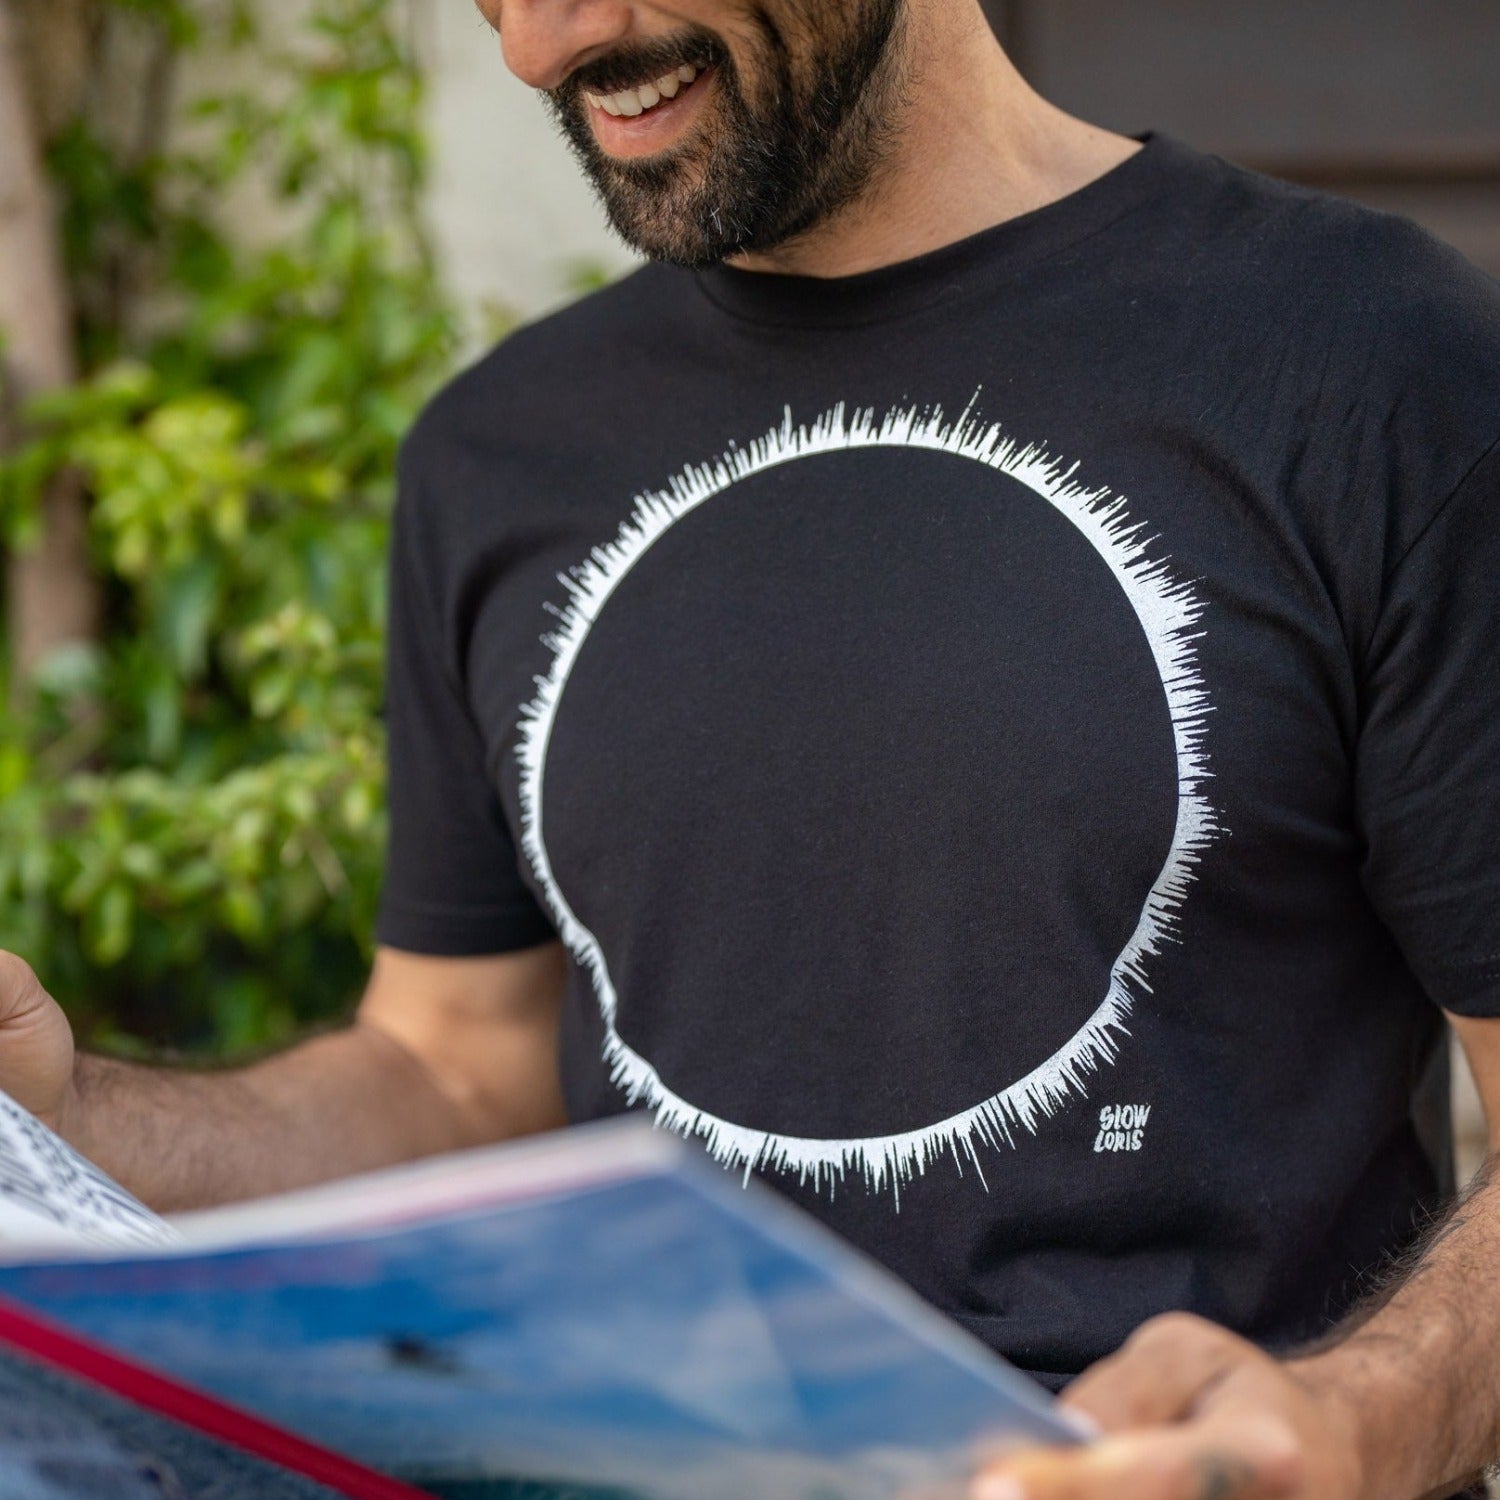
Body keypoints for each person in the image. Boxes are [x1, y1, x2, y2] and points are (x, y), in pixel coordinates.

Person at [3, 1, 1498, 1495]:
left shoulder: (1374, 362)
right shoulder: (497, 450)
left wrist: (1353, 1427)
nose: (541, 47)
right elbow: (459, 1075)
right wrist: (65, 1124)